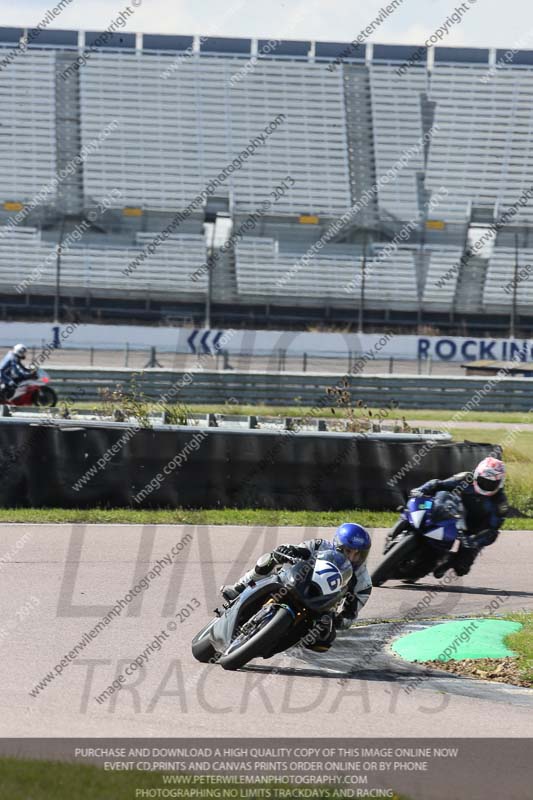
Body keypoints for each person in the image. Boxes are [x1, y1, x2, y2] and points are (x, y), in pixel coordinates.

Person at [221, 522, 373, 652]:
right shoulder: (320, 545)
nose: (352, 558)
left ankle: (282, 637)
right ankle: (238, 588)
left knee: (324, 641)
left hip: (322, 604)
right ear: (337, 545)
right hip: (295, 581)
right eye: (348, 551)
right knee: (269, 560)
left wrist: (341, 620)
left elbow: (351, 614)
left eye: (358, 554)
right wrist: (286, 551)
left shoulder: (363, 581)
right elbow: (295, 548)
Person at [410, 457, 508, 577]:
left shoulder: (500, 502)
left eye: (493, 483)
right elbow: (439, 484)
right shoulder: (466, 479)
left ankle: (446, 560)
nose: (487, 485)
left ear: (500, 482)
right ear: (477, 475)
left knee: (462, 568)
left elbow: (493, 530)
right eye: (484, 481)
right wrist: (421, 490)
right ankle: (404, 526)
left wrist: (475, 540)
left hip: (473, 530)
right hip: (450, 511)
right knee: (417, 504)